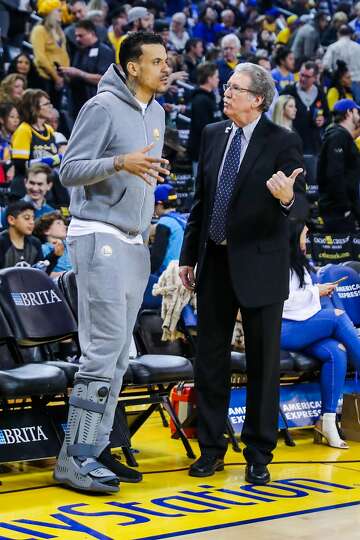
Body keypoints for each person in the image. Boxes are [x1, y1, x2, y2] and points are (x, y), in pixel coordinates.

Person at [179, 62, 307, 485]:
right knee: (209, 362)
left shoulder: (283, 140)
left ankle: (258, 453)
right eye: (228, 86)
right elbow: (201, 200)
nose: (227, 93)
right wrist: (186, 256)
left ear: (258, 99)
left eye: (236, 88)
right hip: (213, 263)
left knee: (263, 367)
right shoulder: (213, 134)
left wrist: (288, 201)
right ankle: (212, 449)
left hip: (261, 267)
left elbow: (302, 206)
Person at [54, 31, 170, 493]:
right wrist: (119, 162)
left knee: (120, 357)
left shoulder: (157, 112)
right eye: (157, 61)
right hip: (98, 235)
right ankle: (74, 458)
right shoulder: (100, 107)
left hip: (133, 242)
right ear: (132, 67)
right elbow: (69, 170)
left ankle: (96, 447)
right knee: (101, 353)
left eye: (167, 60)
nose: (166, 68)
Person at [281, 222, 360, 449]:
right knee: (336, 316)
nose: (307, 241)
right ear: (294, 236)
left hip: (303, 324)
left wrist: (318, 290)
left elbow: (302, 296)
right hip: (283, 328)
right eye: (305, 236)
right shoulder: (276, 261)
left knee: (337, 351)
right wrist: (317, 291)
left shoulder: (300, 263)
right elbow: (283, 300)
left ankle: (327, 422)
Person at [317, 99, 360, 233]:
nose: (359, 116)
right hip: (337, 212)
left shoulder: (342, 137)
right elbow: (334, 175)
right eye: (357, 112)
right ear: (349, 112)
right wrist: (345, 208)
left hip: (342, 209)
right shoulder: (337, 137)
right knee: (344, 253)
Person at [59, 19, 115, 119]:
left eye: (81, 36)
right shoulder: (79, 52)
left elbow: (104, 79)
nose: (77, 39)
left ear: (91, 33)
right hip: (77, 105)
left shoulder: (105, 51)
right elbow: (74, 79)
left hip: (96, 105)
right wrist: (65, 75)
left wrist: (79, 73)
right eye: (76, 36)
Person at [282, 61, 330, 156]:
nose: (303, 79)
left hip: (313, 147)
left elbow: (327, 116)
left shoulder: (320, 93)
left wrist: (323, 121)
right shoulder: (288, 91)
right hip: (292, 145)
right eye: (301, 74)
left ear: (315, 78)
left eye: (307, 77)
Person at [11, 89, 59, 181]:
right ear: (33, 108)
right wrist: (53, 160)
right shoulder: (24, 130)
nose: (51, 107)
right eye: (46, 104)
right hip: (25, 184)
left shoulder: (49, 129)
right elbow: (20, 165)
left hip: (45, 184)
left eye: (50, 103)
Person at [30, 0, 70, 109]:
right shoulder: (39, 30)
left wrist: (65, 74)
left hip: (60, 78)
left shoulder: (59, 31)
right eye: (58, 11)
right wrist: (56, 77)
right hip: (44, 79)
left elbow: (63, 54)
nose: (61, 13)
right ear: (50, 12)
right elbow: (40, 58)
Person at [188, 62, 221, 177]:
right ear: (209, 78)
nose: (218, 80)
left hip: (210, 152)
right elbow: (203, 128)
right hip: (202, 153)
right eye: (216, 77)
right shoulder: (200, 100)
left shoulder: (209, 98)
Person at [151, 184, 186, 276]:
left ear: (159, 204)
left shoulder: (164, 223)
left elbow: (157, 257)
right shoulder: (182, 220)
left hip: (166, 275)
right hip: (182, 273)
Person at [322, 25, 360, 104]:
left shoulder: (333, 47)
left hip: (340, 84)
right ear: (351, 35)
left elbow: (325, 65)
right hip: (357, 82)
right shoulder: (358, 47)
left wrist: (334, 74)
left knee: (341, 112)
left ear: (338, 34)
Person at [0, 200, 44, 269]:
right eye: (27, 218)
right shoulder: (2, 243)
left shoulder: (35, 243)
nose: (32, 222)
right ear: (11, 220)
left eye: (33, 218)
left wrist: (54, 256)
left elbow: (41, 274)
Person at [33, 210, 71, 276]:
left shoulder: (70, 247)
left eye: (64, 224)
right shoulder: (43, 249)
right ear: (46, 230)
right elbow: (42, 273)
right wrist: (65, 276)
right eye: (59, 223)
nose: (65, 226)